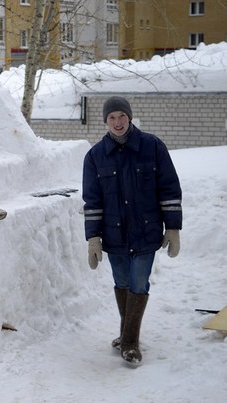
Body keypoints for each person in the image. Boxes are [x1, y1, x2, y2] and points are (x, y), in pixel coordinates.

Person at [82, 96, 182, 364]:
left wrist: (172, 227)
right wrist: (93, 237)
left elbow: (169, 189)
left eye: (121, 116)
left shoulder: (152, 147)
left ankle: (129, 343)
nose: (117, 122)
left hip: (146, 232)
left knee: (139, 283)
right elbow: (92, 202)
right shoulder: (95, 156)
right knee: (122, 284)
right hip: (114, 235)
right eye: (112, 118)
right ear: (105, 121)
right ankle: (127, 334)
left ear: (129, 117)